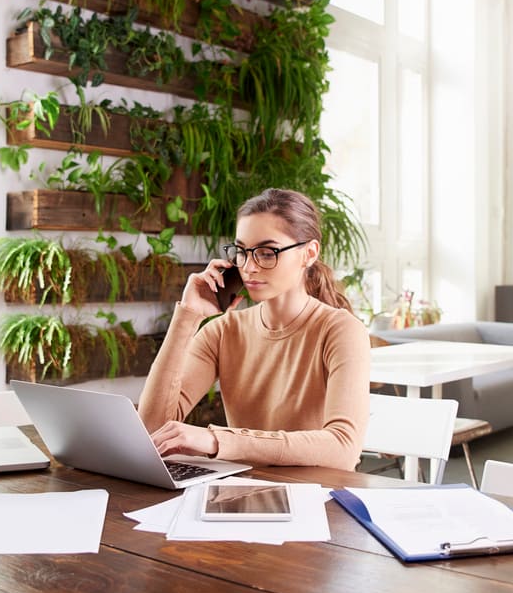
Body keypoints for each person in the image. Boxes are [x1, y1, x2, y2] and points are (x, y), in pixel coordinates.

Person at [139, 188, 370, 471]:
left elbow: (343, 448)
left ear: (308, 253)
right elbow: (152, 430)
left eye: (266, 252)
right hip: (240, 493)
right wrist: (188, 316)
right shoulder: (222, 331)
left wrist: (218, 440)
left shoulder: (341, 330)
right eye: (242, 252)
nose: (249, 267)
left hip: (317, 499)